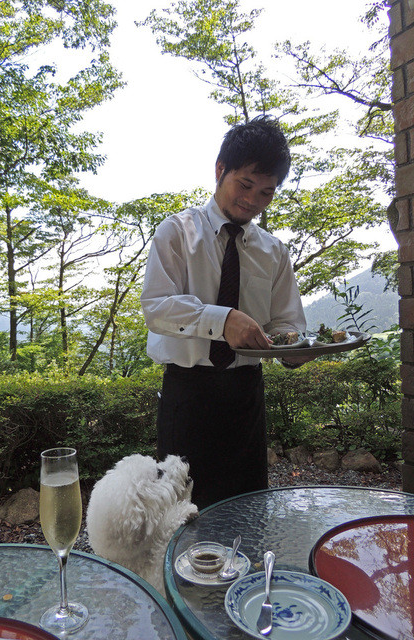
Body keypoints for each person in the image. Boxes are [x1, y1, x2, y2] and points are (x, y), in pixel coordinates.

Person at [141, 115, 312, 510]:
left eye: (267, 192)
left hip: (245, 397)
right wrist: (222, 320)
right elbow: (156, 307)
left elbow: (288, 324)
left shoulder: (274, 251)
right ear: (220, 170)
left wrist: (294, 351)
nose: (253, 200)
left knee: (247, 508)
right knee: (182, 512)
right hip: (187, 395)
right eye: (245, 185)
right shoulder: (177, 232)